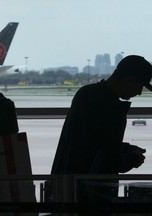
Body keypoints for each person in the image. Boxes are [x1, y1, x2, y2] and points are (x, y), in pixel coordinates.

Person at [50, 55, 152, 203]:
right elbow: (112, 162)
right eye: (140, 86)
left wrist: (124, 148)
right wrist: (134, 159)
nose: (139, 92)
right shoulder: (113, 108)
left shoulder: (85, 94)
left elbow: (90, 142)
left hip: (67, 188)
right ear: (130, 80)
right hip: (92, 196)